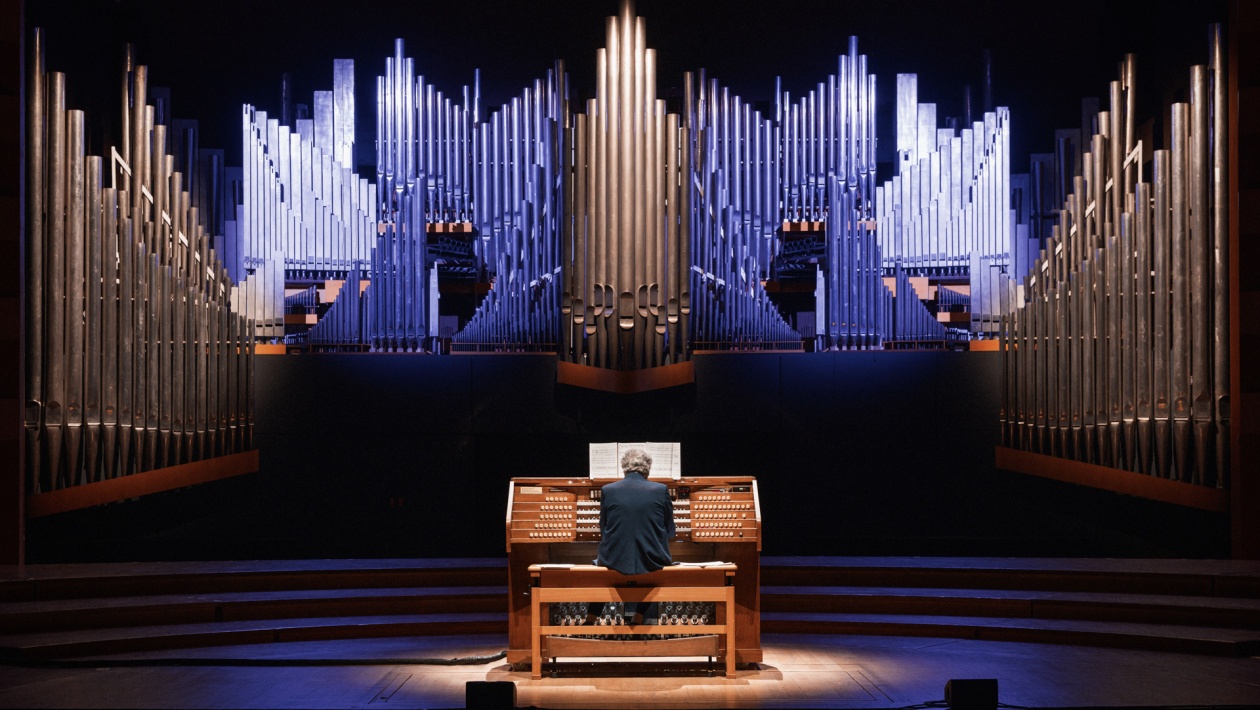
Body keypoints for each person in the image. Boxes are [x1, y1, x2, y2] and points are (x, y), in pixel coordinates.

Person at [595, 448, 675, 625]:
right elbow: (670, 531)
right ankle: (641, 617)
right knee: (654, 567)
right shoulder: (661, 490)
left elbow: (603, 529)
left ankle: (590, 617)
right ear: (647, 469)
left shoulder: (608, 490)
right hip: (652, 559)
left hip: (614, 559)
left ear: (624, 468)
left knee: (597, 566)